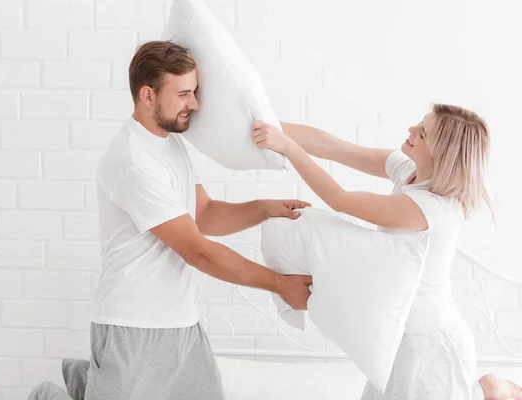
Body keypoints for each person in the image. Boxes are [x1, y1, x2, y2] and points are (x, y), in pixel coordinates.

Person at [85, 40, 312, 400]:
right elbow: (198, 251)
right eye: (184, 93)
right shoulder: (133, 161)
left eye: (195, 91)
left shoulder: (170, 144)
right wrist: (279, 284)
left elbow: (203, 214)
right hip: (132, 326)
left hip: (182, 324)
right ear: (148, 96)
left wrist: (263, 207)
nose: (194, 103)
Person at [251, 104, 522, 400]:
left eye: (423, 133)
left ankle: (492, 389)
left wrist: (287, 147)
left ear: (440, 153)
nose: (411, 131)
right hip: (399, 333)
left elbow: (339, 199)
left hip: (428, 338)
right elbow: (334, 147)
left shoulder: (432, 207)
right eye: (420, 124)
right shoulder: (409, 173)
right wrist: (267, 125)